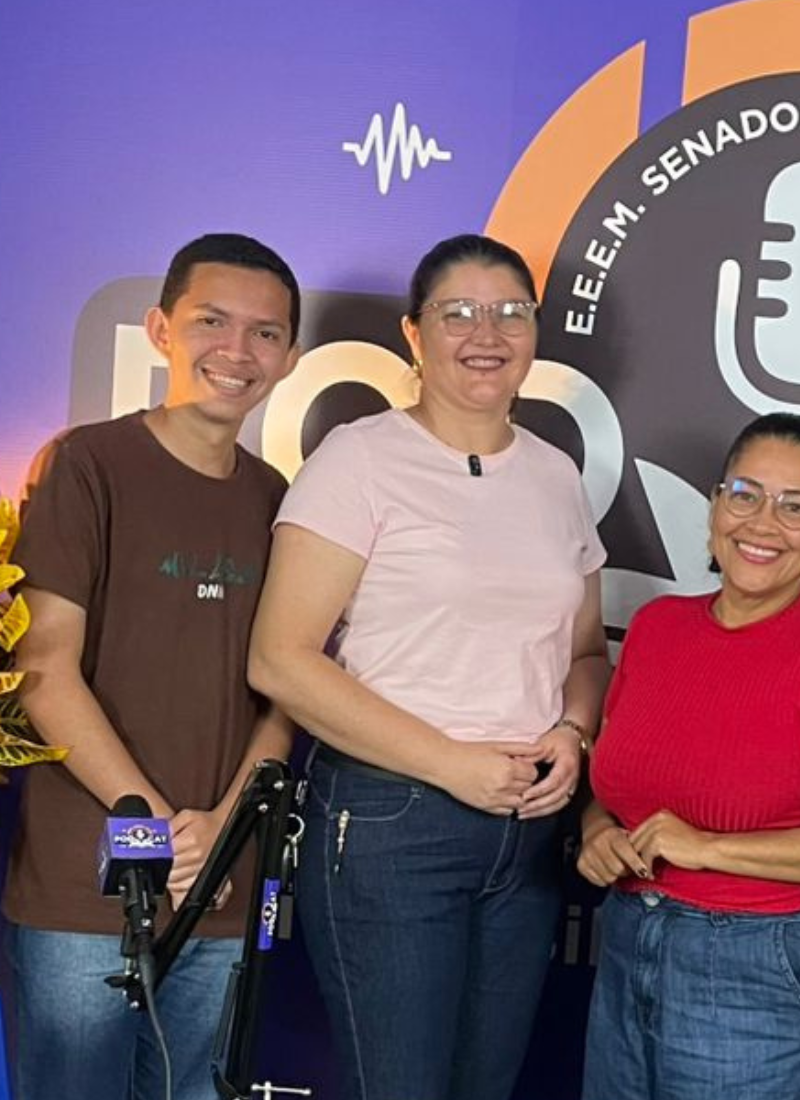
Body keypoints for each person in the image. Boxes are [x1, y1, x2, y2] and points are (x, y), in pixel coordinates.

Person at [247, 234, 606, 1100]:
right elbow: (280, 660)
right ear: (414, 333)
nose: (488, 333)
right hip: (392, 822)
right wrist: (450, 764)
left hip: (525, 832)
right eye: (459, 312)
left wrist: (572, 731)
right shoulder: (359, 458)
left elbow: (587, 651)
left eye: (510, 311)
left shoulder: (555, 474)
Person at [3, 233, 302, 1100]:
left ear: (289, 355)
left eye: (265, 333)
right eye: (212, 321)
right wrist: (158, 826)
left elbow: (286, 692)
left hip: (220, 887)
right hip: (88, 888)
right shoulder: (87, 464)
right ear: (161, 329)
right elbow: (43, 668)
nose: (236, 351)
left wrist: (224, 829)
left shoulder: (280, 501)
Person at [578, 412, 800, 1100]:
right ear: (715, 506)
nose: (763, 522)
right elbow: (613, 786)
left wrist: (708, 848)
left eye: (794, 507)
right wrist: (596, 833)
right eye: (745, 494)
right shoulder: (657, 627)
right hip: (628, 939)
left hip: (759, 961)